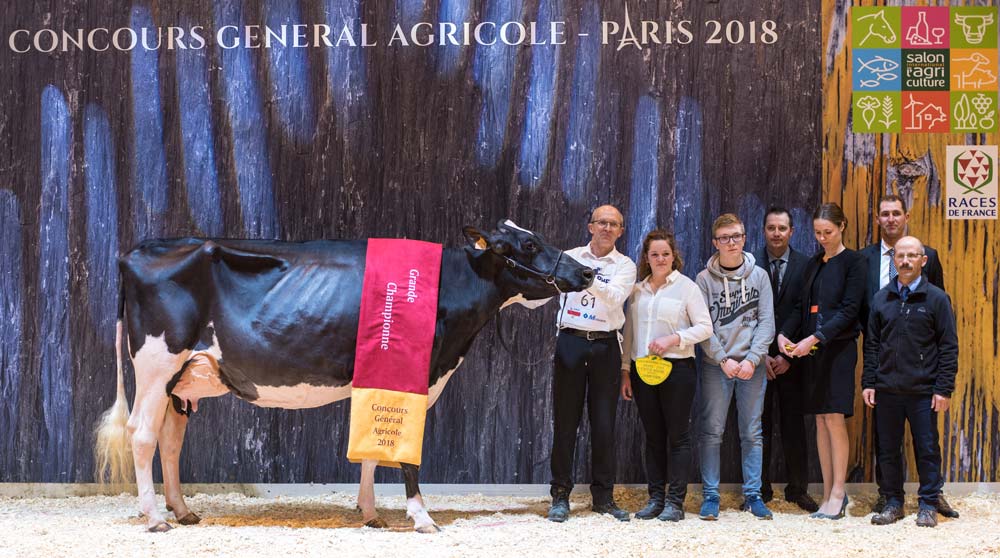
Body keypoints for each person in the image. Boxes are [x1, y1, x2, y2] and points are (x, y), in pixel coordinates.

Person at [858, 194, 956, 518]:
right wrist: (869, 381)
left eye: (912, 256)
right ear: (894, 259)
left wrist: (943, 388)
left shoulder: (937, 299)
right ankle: (893, 502)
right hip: (886, 387)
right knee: (887, 450)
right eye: (901, 256)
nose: (906, 261)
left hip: (924, 388)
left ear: (923, 260)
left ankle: (928, 503)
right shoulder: (881, 299)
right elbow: (871, 344)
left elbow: (948, 345)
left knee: (927, 449)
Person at [547, 205, 637, 522]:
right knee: (565, 423)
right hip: (570, 340)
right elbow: (551, 287)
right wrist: (579, 274)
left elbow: (614, 298)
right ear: (590, 226)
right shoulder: (568, 255)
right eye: (602, 222)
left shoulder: (626, 265)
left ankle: (603, 497)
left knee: (603, 425)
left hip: (605, 345)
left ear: (621, 231)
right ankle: (559, 496)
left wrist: (584, 278)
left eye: (614, 224)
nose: (607, 228)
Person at [778, 202, 866, 520]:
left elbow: (849, 310)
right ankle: (828, 491)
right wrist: (783, 335)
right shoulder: (814, 263)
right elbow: (801, 305)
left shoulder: (854, 262)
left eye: (827, 232)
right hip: (810, 351)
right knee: (818, 419)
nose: (822, 238)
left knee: (834, 417)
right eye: (817, 233)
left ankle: (840, 492)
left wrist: (815, 338)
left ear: (842, 227)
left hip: (837, 350)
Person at [620, 230, 713, 522]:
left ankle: (675, 503)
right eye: (654, 254)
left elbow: (705, 328)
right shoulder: (637, 290)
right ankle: (655, 499)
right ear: (646, 258)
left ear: (674, 256)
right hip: (642, 371)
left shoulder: (687, 288)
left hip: (677, 370)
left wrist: (674, 339)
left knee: (678, 437)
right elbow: (629, 333)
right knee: (653, 437)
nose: (660, 259)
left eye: (665, 254)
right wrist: (625, 371)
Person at [696, 213, 775, 520]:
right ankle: (711, 496)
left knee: (752, 432)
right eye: (725, 238)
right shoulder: (703, 280)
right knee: (712, 431)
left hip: (751, 366)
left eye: (737, 236)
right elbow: (703, 326)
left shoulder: (759, 277)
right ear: (715, 242)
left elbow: (767, 322)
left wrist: (753, 359)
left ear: (744, 237)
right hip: (717, 365)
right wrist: (723, 359)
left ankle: (753, 495)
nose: (731, 242)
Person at [755, 208, 819, 512]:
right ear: (764, 231)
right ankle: (760, 489)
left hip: (794, 361)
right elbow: (746, 315)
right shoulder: (750, 264)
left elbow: (807, 313)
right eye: (771, 228)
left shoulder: (807, 266)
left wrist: (788, 356)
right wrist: (762, 356)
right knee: (758, 427)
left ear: (792, 231)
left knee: (795, 427)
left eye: (782, 228)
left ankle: (798, 489)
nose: (776, 233)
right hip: (756, 362)